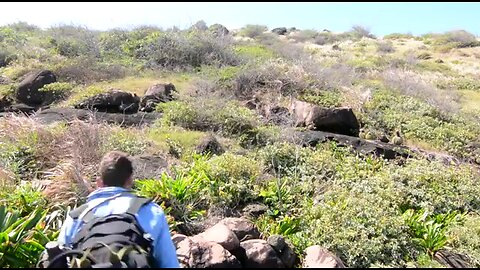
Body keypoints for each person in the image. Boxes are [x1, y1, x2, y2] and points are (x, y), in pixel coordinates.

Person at [56, 151, 180, 268]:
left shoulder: (77, 216)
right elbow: (169, 263)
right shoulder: (152, 211)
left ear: (99, 182)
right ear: (130, 180)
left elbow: (60, 259)